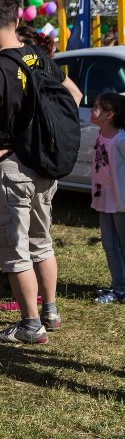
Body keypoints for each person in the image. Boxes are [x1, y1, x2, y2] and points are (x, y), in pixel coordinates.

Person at [0, 0, 82, 344]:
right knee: (42, 241)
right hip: (43, 167)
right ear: (17, 20)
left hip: (13, 169)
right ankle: (50, 311)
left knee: (13, 248)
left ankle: (30, 325)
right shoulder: (37, 56)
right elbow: (75, 95)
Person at [88, 93, 125, 303]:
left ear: (109, 114)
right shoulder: (100, 135)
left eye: (96, 106)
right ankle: (118, 285)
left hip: (121, 203)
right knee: (109, 245)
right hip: (104, 200)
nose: (92, 110)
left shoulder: (121, 139)